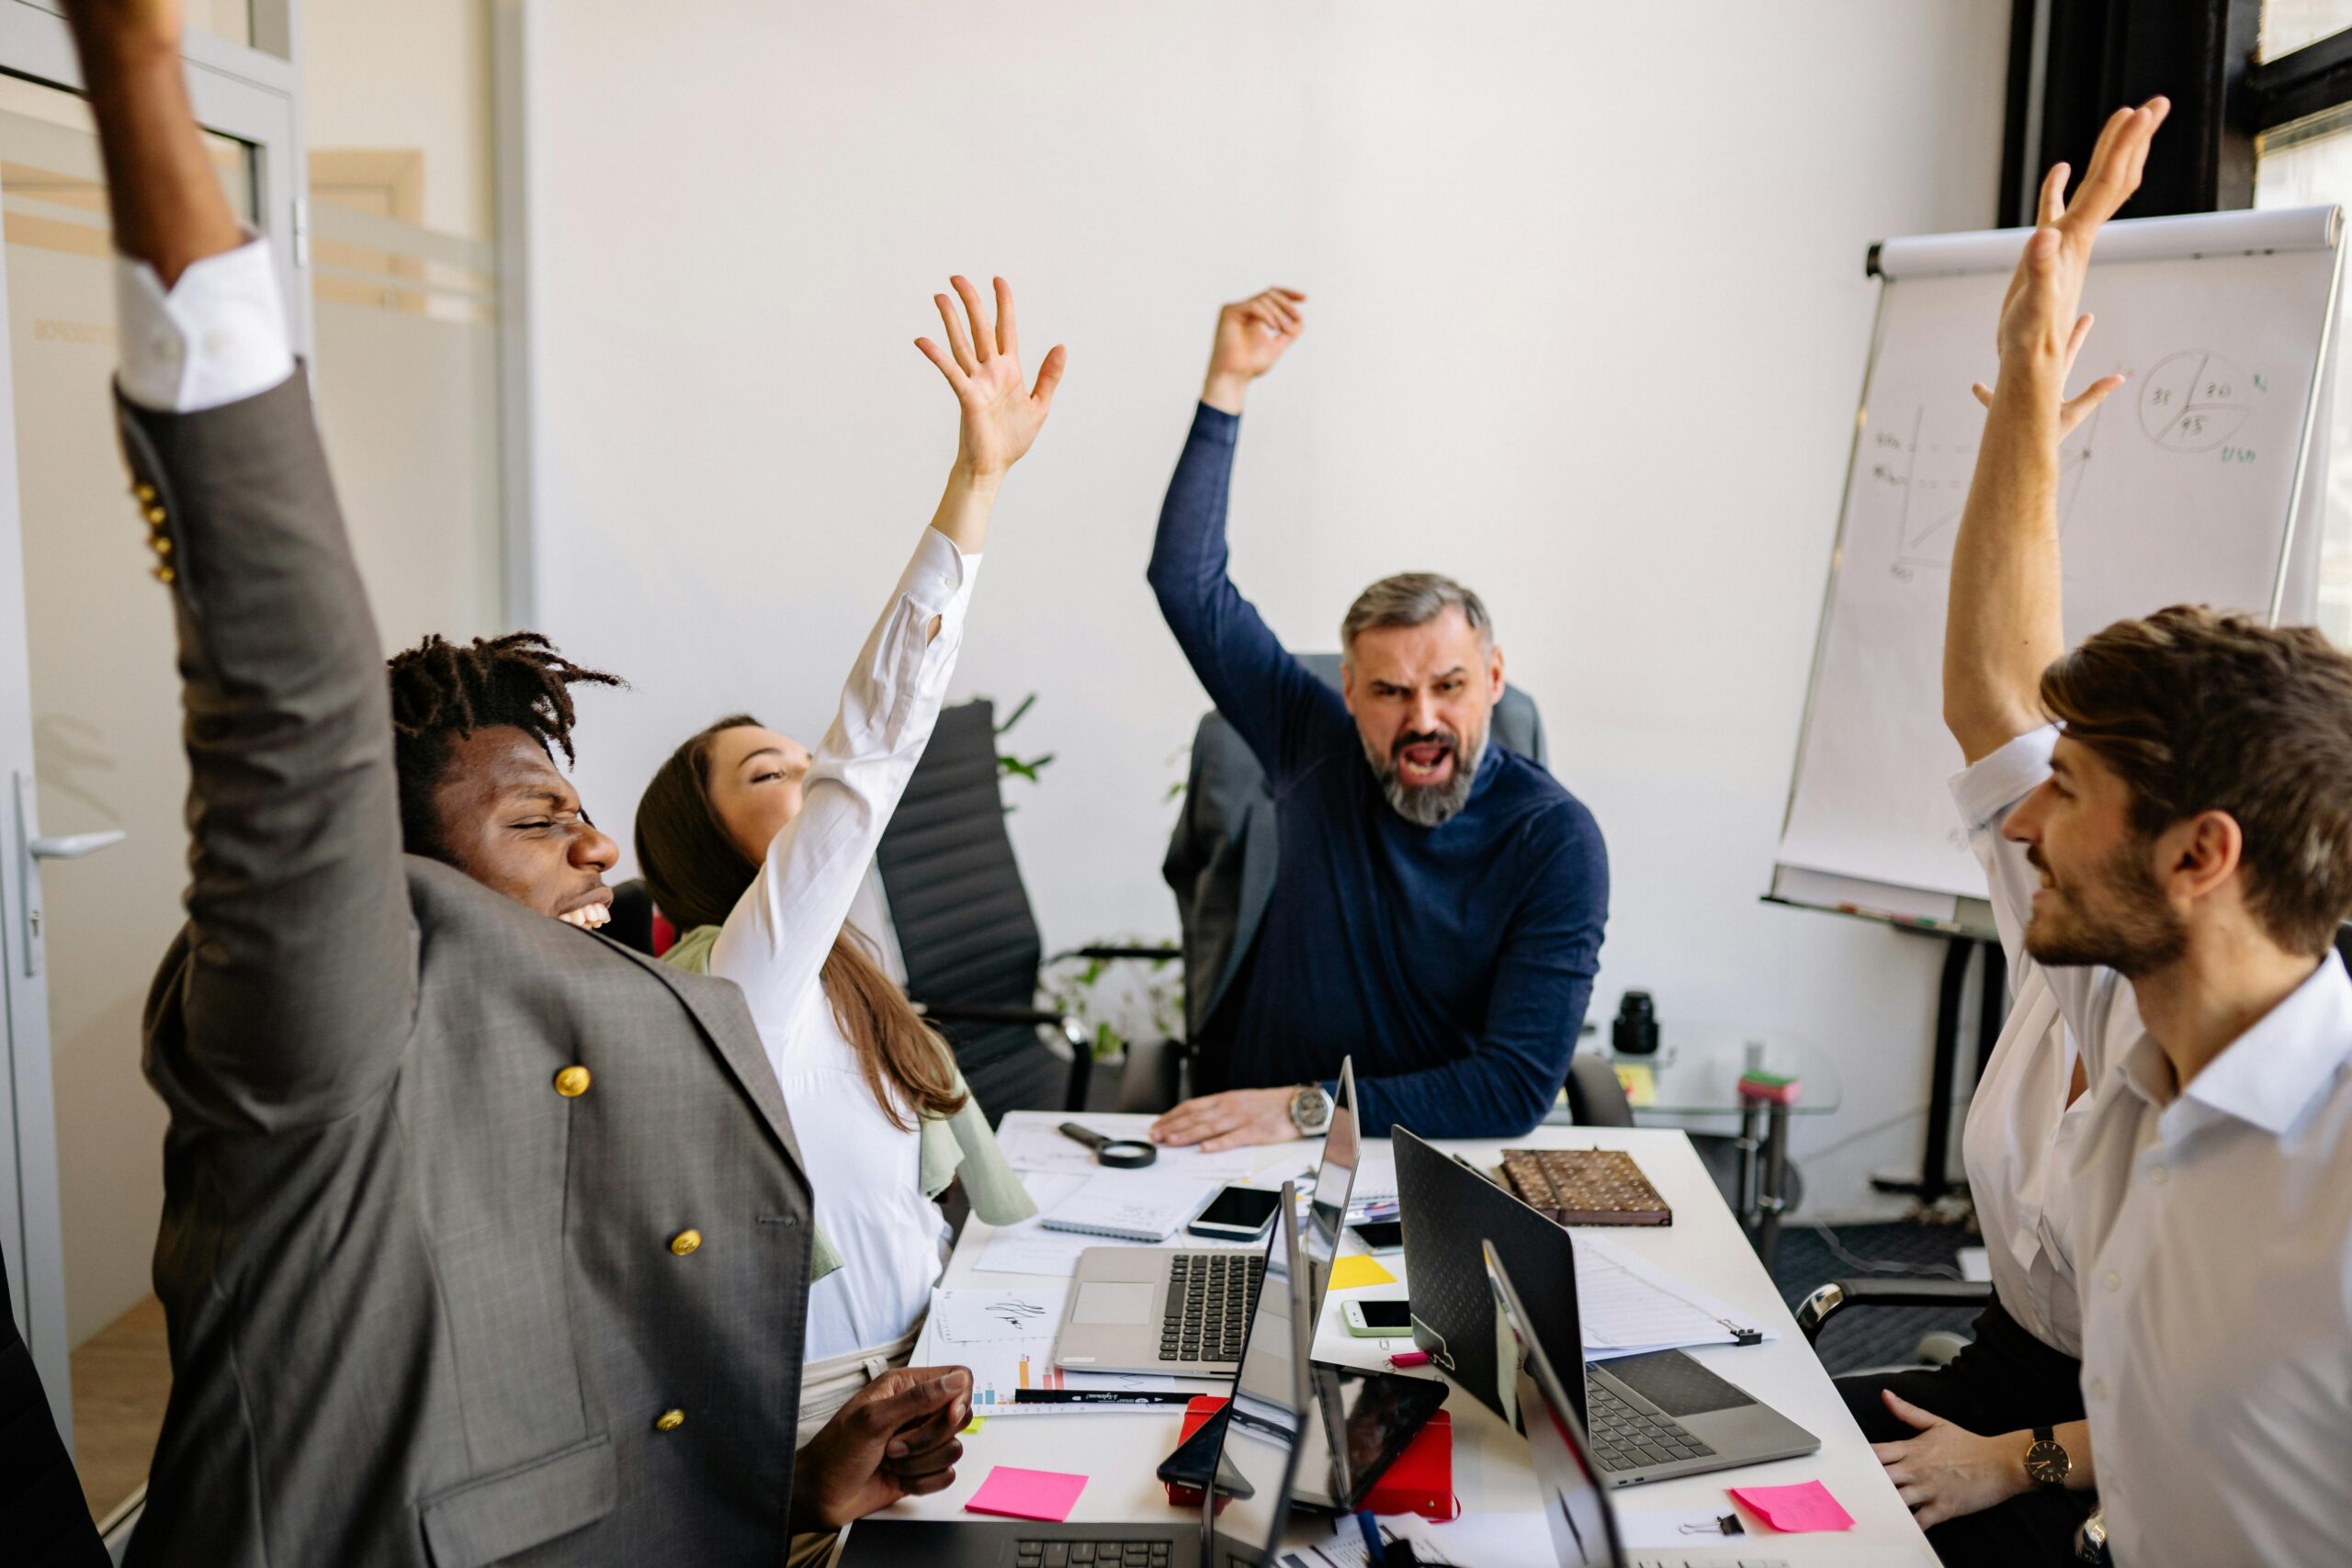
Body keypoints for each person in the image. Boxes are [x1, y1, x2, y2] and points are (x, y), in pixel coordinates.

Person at [69, 2, 968, 1561]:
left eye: (580, 804)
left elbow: (589, 1419)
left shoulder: (603, 1011)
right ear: (385, 870)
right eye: (538, 817)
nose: (600, 841)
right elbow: (285, 704)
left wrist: (799, 1485)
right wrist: (145, 68)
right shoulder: (332, 1031)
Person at [1924, 95, 2352, 1567]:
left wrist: (2025, 1463)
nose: (2025, 816)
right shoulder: (2133, 997)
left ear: (2200, 852)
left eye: (2075, 792)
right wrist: (2028, 375)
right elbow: (1994, 690)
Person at [636, 274, 1058, 1430]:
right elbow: (871, 746)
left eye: (798, 761)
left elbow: (904, 1213)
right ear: (701, 841)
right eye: (771, 776)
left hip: (936, 1358)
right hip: (839, 1418)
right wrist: (975, 486)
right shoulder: (742, 984)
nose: (812, 780)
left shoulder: (841, 970)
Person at [1144, 288, 1608, 1149]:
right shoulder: (1313, 740)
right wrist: (1226, 384)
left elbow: (1510, 1089)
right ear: (1350, 691)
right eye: (1391, 692)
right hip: (1240, 1153)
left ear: (1496, 678)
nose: (1422, 717)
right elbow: (1186, 582)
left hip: (1426, 1159)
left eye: (1449, 685)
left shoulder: (1555, 841)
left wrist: (1301, 1107)